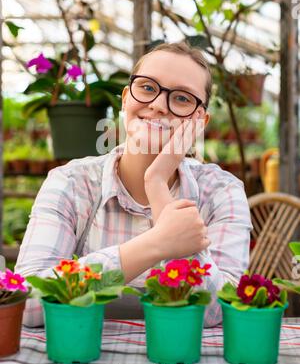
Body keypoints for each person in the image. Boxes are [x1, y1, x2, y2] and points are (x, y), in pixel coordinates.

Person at [15, 41, 252, 327]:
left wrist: (157, 184)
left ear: (200, 121)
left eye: (182, 99)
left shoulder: (222, 191)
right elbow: (26, 303)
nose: (159, 105)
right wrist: (155, 244)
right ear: (126, 98)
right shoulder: (71, 183)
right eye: (148, 88)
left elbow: (221, 312)